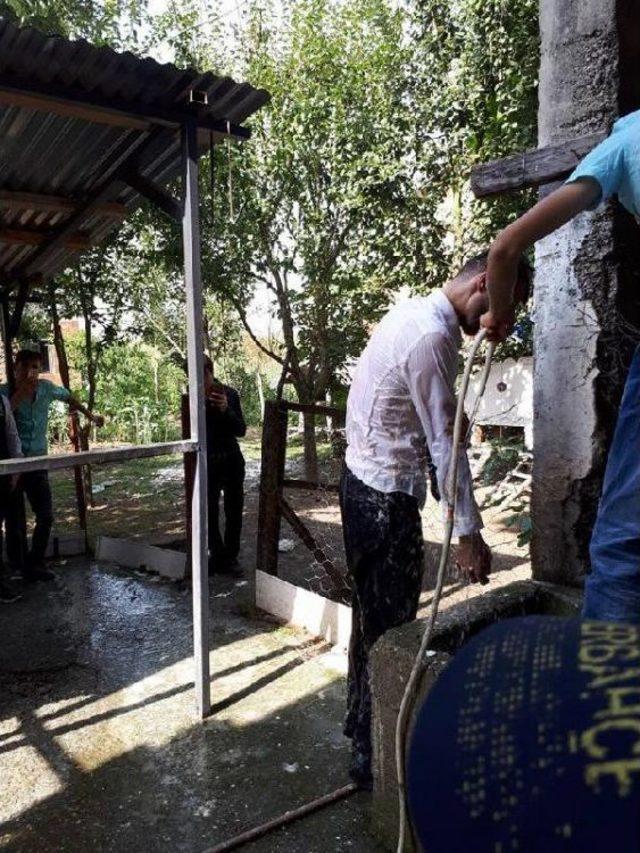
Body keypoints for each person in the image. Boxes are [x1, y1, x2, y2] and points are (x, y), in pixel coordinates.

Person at [340, 252, 533, 788]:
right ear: (479, 285)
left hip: (362, 482)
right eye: (500, 308)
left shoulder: (414, 316)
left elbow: (423, 416)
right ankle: (376, 754)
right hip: (382, 498)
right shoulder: (431, 337)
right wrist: (469, 534)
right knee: (392, 632)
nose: (495, 325)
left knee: (371, 622)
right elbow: (445, 447)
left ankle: (362, 735)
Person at [480, 110, 640, 624]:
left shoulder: (627, 138)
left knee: (622, 543)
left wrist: (500, 313)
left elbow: (504, 247)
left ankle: (605, 699)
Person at [0, 349, 104, 582]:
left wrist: (91, 416)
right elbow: (4, 419)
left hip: (38, 461)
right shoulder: (4, 393)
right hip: (13, 466)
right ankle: (17, 568)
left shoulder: (46, 388)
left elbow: (68, 397)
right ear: (15, 368)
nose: (30, 372)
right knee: (14, 522)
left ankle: (35, 562)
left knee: (45, 516)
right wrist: (20, 394)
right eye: (25, 367)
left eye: (35, 367)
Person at [202, 356, 247, 576]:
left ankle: (231, 557)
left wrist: (226, 409)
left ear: (210, 372)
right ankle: (217, 555)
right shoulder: (191, 399)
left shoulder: (228, 394)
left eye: (203, 375)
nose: (201, 381)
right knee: (209, 511)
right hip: (207, 463)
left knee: (234, 509)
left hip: (231, 460)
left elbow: (241, 430)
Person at [0, 392, 23, 603]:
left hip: (5, 477)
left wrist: (16, 468)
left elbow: (12, 434)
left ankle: (10, 574)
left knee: (13, 525)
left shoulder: (2, 401)